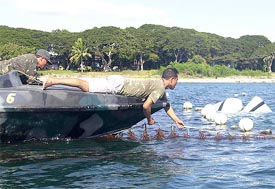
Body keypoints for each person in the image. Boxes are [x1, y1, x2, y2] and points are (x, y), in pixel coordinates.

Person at [43, 68, 185, 128]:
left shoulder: (159, 86)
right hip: (117, 86)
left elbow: (166, 105)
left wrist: (177, 121)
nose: (177, 83)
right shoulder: (159, 88)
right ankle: (53, 80)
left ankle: (54, 80)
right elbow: (146, 106)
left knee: (85, 85)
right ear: (172, 79)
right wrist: (149, 119)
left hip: (119, 81)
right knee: (85, 86)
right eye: (177, 80)